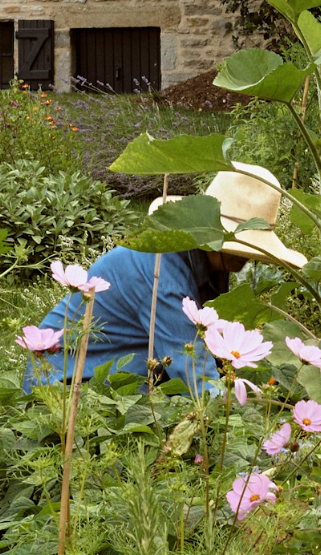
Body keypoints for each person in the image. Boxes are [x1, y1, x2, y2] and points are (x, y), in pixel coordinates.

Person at [26, 165, 304, 392]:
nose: (247, 257)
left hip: (124, 370)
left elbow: (210, 345)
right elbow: (194, 375)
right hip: (63, 385)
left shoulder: (207, 263)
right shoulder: (162, 273)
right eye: (239, 246)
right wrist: (249, 426)